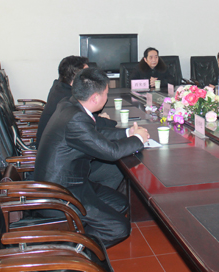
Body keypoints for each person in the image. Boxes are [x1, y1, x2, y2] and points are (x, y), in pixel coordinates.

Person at [34, 68, 149, 248]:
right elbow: (111, 152)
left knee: (120, 203)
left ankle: (81, 230)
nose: (107, 98)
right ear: (95, 98)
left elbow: (95, 133)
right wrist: (138, 139)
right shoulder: (76, 119)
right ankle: (71, 250)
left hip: (73, 182)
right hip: (61, 193)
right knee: (119, 228)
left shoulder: (70, 104)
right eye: (106, 94)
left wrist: (127, 133)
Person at [36, 56, 114, 146]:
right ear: (76, 77)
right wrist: (107, 121)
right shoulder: (68, 97)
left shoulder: (59, 87)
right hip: (57, 147)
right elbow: (88, 121)